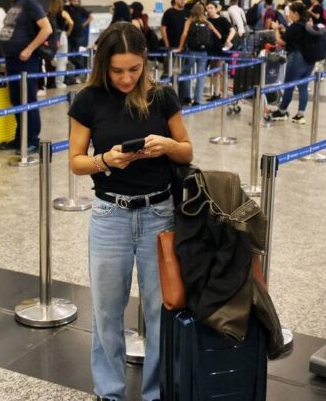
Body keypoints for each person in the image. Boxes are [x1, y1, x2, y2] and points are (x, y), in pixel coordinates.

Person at [68, 22, 193, 401]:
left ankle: (156, 393)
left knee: (160, 312)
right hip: (111, 216)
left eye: (134, 69)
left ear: (145, 63)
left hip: (159, 214)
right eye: (117, 70)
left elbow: (187, 150)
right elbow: (76, 161)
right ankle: (110, 393)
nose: (126, 78)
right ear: (103, 65)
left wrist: (167, 145)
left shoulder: (163, 97)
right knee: (107, 312)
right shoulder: (88, 100)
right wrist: (105, 160)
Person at [0, 0, 52, 153]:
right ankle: (20, 137)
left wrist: (28, 49)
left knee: (28, 100)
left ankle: (32, 140)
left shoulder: (30, 3)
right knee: (17, 100)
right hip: (12, 61)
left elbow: (46, 28)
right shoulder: (14, 4)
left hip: (25, 62)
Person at [266, 2, 313, 125]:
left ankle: (282, 111)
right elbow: (295, 37)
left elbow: (281, 41)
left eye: (291, 12)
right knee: (303, 87)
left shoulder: (295, 26)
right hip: (309, 59)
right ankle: (300, 114)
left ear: (295, 13)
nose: (289, 14)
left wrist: (276, 29)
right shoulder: (307, 25)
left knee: (289, 86)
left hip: (296, 59)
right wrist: (285, 30)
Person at [176, 3, 222, 105]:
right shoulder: (207, 22)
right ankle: (197, 101)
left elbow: (184, 34)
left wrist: (180, 47)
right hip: (203, 53)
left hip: (191, 52)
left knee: (186, 73)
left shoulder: (189, 21)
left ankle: (187, 97)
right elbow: (218, 35)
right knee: (201, 76)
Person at [206, 1, 235, 100]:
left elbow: (232, 30)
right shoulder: (207, 20)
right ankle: (216, 93)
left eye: (211, 8)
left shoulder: (222, 20)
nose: (209, 10)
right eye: (208, 8)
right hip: (211, 49)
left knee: (219, 70)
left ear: (216, 9)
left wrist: (228, 40)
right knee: (214, 71)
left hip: (220, 48)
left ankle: (220, 93)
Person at [46, 0, 73, 89]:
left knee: (50, 59)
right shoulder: (63, 12)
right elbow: (71, 23)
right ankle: (59, 83)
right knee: (62, 60)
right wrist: (68, 32)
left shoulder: (48, 14)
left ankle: (49, 81)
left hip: (51, 37)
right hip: (61, 35)